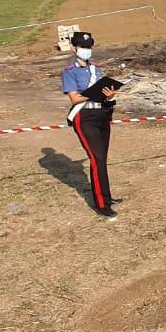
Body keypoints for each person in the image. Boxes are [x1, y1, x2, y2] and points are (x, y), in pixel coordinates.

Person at [60, 29, 119, 218]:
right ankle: (101, 204)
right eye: (83, 47)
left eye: (89, 46)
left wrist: (109, 94)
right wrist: (92, 93)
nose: (87, 50)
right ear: (74, 48)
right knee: (97, 158)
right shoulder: (69, 71)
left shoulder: (96, 68)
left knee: (102, 159)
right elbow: (74, 98)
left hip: (102, 113)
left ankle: (107, 196)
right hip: (85, 117)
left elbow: (102, 90)